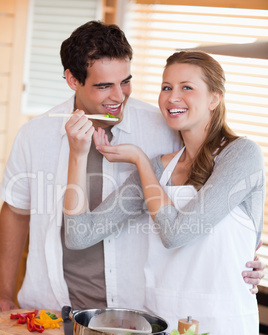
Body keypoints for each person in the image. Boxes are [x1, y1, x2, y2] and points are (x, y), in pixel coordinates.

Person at [0, 21, 263, 312]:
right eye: (104, 86)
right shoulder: (36, 134)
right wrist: (4, 293)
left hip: (141, 311)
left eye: (125, 81)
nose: (119, 95)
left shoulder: (167, 129)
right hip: (51, 304)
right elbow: (26, 215)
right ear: (73, 80)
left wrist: (248, 260)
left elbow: (213, 210)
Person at [63, 50, 265, 335]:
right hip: (163, 326)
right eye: (166, 87)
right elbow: (79, 234)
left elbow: (177, 234)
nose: (172, 98)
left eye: (187, 87)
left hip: (221, 324)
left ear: (215, 98)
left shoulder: (242, 155)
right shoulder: (160, 168)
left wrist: (139, 161)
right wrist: (78, 154)